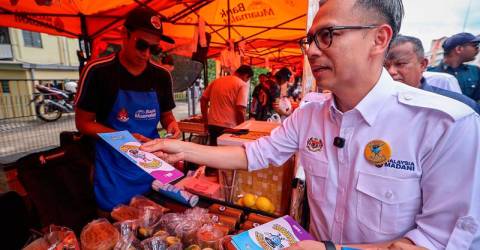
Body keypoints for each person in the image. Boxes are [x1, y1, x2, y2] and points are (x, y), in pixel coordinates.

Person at [141, 0, 480, 249]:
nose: (312, 51)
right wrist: (182, 147)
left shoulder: (445, 127)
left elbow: (439, 241)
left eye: (328, 35)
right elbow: (253, 156)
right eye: (310, 40)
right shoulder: (310, 114)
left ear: (379, 39)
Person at [74, 7, 181, 212]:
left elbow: (167, 115)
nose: (147, 54)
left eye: (155, 49)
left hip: (152, 164)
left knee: (158, 219)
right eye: (141, 45)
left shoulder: (161, 76)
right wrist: (124, 137)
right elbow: (83, 123)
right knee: (117, 223)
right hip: (114, 168)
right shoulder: (98, 71)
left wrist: (172, 126)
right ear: (125, 35)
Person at [385, 35, 480, 114]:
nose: (391, 71)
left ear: (423, 65)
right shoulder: (375, 100)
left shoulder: (463, 106)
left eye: (400, 64)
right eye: (384, 66)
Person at [200, 65, 253, 145]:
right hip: (230, 127)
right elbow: (240, 109)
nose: (246, 81)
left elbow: (203, 100)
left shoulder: (217, 81)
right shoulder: (242, 85)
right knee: (226, 154)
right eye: (247, 79)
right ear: (246, 75)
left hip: (212, 125)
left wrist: (205, 121)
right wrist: (241, 128)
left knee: (213, 152)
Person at [428, 32, 480, 101]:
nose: (478, 49)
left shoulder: (475, 71)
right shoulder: (430, 74)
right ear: (459, 49)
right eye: (475, 46)